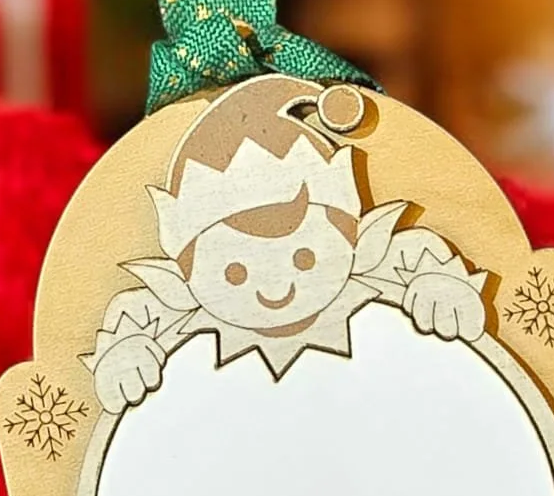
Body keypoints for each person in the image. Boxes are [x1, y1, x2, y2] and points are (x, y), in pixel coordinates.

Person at [87, 74, 488, 406]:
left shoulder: (373, 271)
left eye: (305, 259)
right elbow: (139, 312)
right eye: (235, 272)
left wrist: (440, 287)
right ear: (186, 270)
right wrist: (126, 354)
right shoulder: (179, 313)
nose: (275, 290)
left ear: (350, 236)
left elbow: (412, 253)